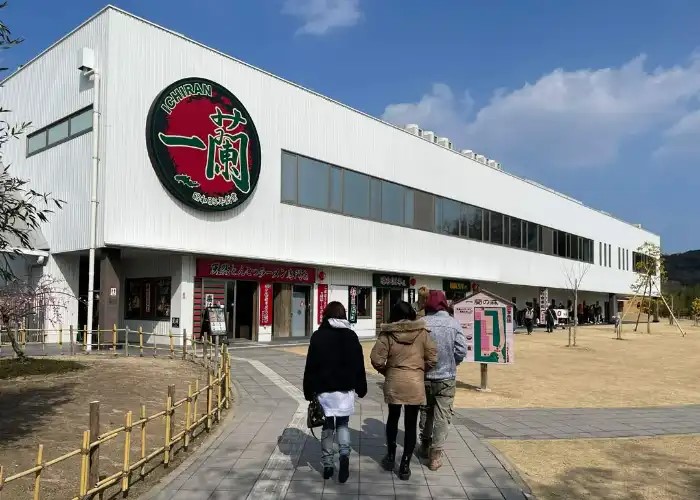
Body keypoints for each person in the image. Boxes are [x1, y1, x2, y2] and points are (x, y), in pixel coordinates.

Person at [370, 301, 437, 480]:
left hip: (394, 380)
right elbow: (432, 358)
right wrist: (420, 371)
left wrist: (388, 371)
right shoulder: (423, 333)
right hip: (415, 381)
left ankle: (391, 455)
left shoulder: (388, 333)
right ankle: (405, 464)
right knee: (410, 422)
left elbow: (376, 359)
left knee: (393, 418)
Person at [303, 302, 368, 483]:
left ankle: (328, 465)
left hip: (324, 391)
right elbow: (358, 364)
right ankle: (345, 456)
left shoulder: (318, 336)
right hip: (344, 391)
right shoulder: (351, 336)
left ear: (326, 315)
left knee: (327, 427)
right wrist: (361, 386)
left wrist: (308, 390)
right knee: (343, 425)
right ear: (343, 315)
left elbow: (311, 366)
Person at [418, 290, 467, 471]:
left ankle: (424, 444)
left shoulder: (421, 323)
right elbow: (461, 350)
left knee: (425, 411)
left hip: (424, 376)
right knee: (442, 415)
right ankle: (436, 455)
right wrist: (454, 362)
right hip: (446, 376)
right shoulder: (453, 324)